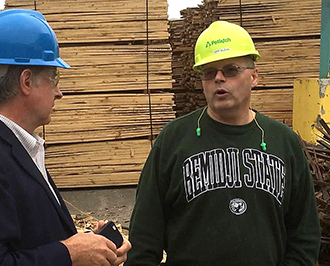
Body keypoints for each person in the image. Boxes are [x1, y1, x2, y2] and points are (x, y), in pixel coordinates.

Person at [0, 9, 131, 266]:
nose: (59, 92)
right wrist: (70, 254)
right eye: (53, 78)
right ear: (26, 81)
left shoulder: (17, 149)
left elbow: (29, 242)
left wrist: (89, 248)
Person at [125, 20, 321, 265]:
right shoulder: (174, 140)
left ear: (254, 77)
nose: (219, 78)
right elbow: (144, 235)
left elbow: (305, 236)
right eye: (209, 72)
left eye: (231, 69)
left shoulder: (283, 141)